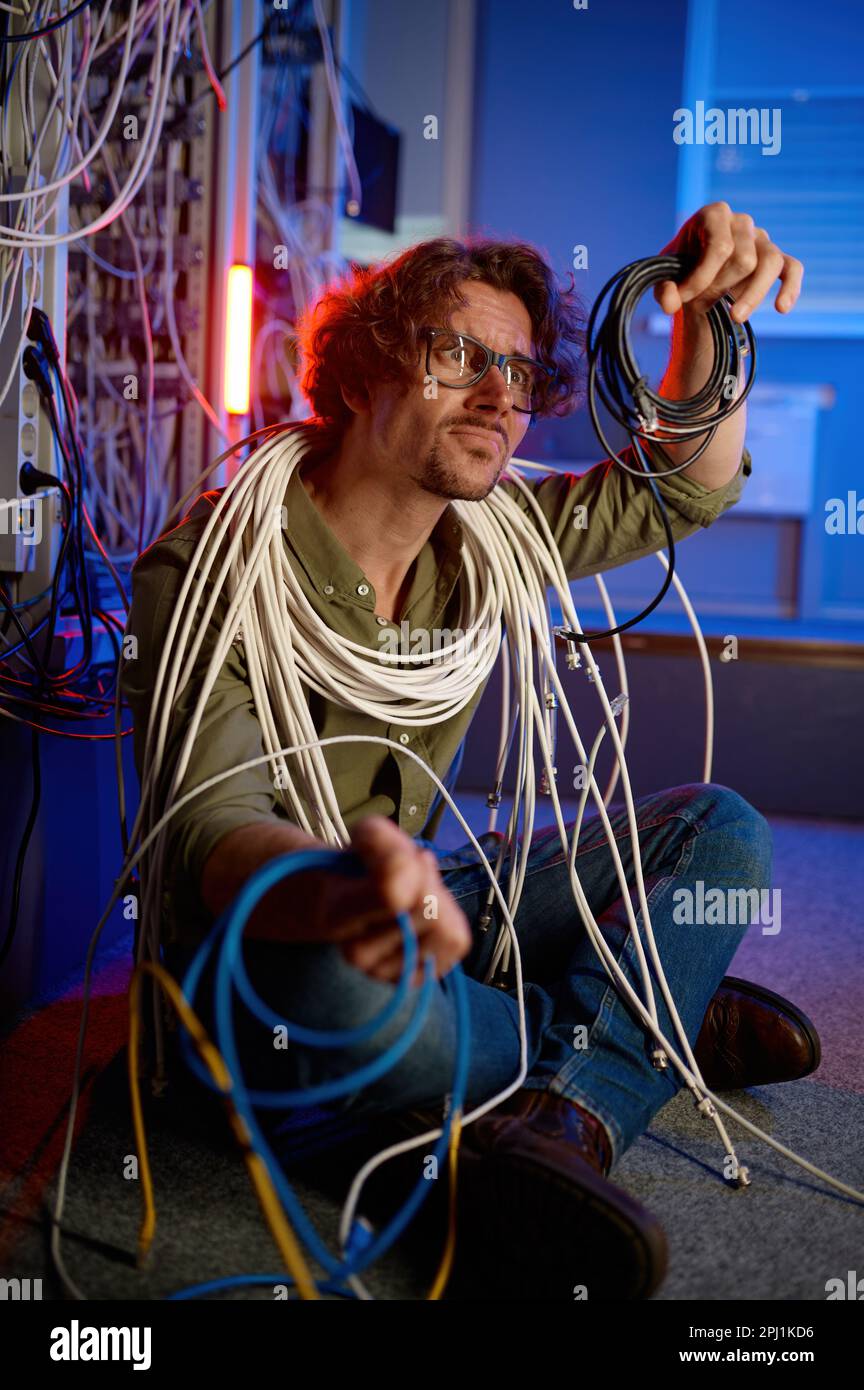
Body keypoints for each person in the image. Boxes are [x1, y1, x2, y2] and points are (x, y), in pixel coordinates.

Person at [121, 208, 817, 1300]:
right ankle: (644, 1019)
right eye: (460, 356)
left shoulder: (484, 539)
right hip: (275, 944)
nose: (502, 393)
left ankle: (573, 1101)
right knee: (345, 995)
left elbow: (678, 488)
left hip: (439, 900)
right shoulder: (206, 571)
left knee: (718, 829)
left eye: (519, 369)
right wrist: (348, 886)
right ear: (360, 374)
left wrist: (711, 320)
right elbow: (214, 835)